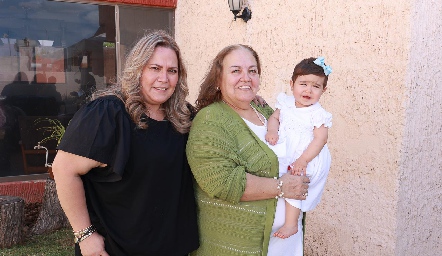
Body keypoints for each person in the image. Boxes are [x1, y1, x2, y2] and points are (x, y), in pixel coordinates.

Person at [51, 30, 199, 256]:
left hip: (171, 247)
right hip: (116, 248)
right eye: (155, 68)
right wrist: (84, 234)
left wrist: (249, 101)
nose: (164, 78)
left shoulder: (182, 117)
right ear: (138, 69)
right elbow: (63, 169)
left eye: (172, 71)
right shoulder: (109, 113)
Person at [186, 44, 310, 256]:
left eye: (252, 71)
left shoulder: (264, 109)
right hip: (238, 246)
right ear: (218, 79)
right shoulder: (210, 119)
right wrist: (282, 187)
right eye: (236, 71)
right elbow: (222, 181)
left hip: (284, 244)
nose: (246, 77)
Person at [265, 57, 332, 247]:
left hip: (309, 157)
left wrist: (303, 160)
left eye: (316, 86)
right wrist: (272, 130)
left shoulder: (317, 114)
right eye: (303, 84)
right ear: (292, 84)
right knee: (284, 178)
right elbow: (274, 118)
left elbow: (320, 139)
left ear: (323, 90)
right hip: (291, 153)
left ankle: (291, 223)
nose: (308, 91)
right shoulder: (285, 103)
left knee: (294, 183)